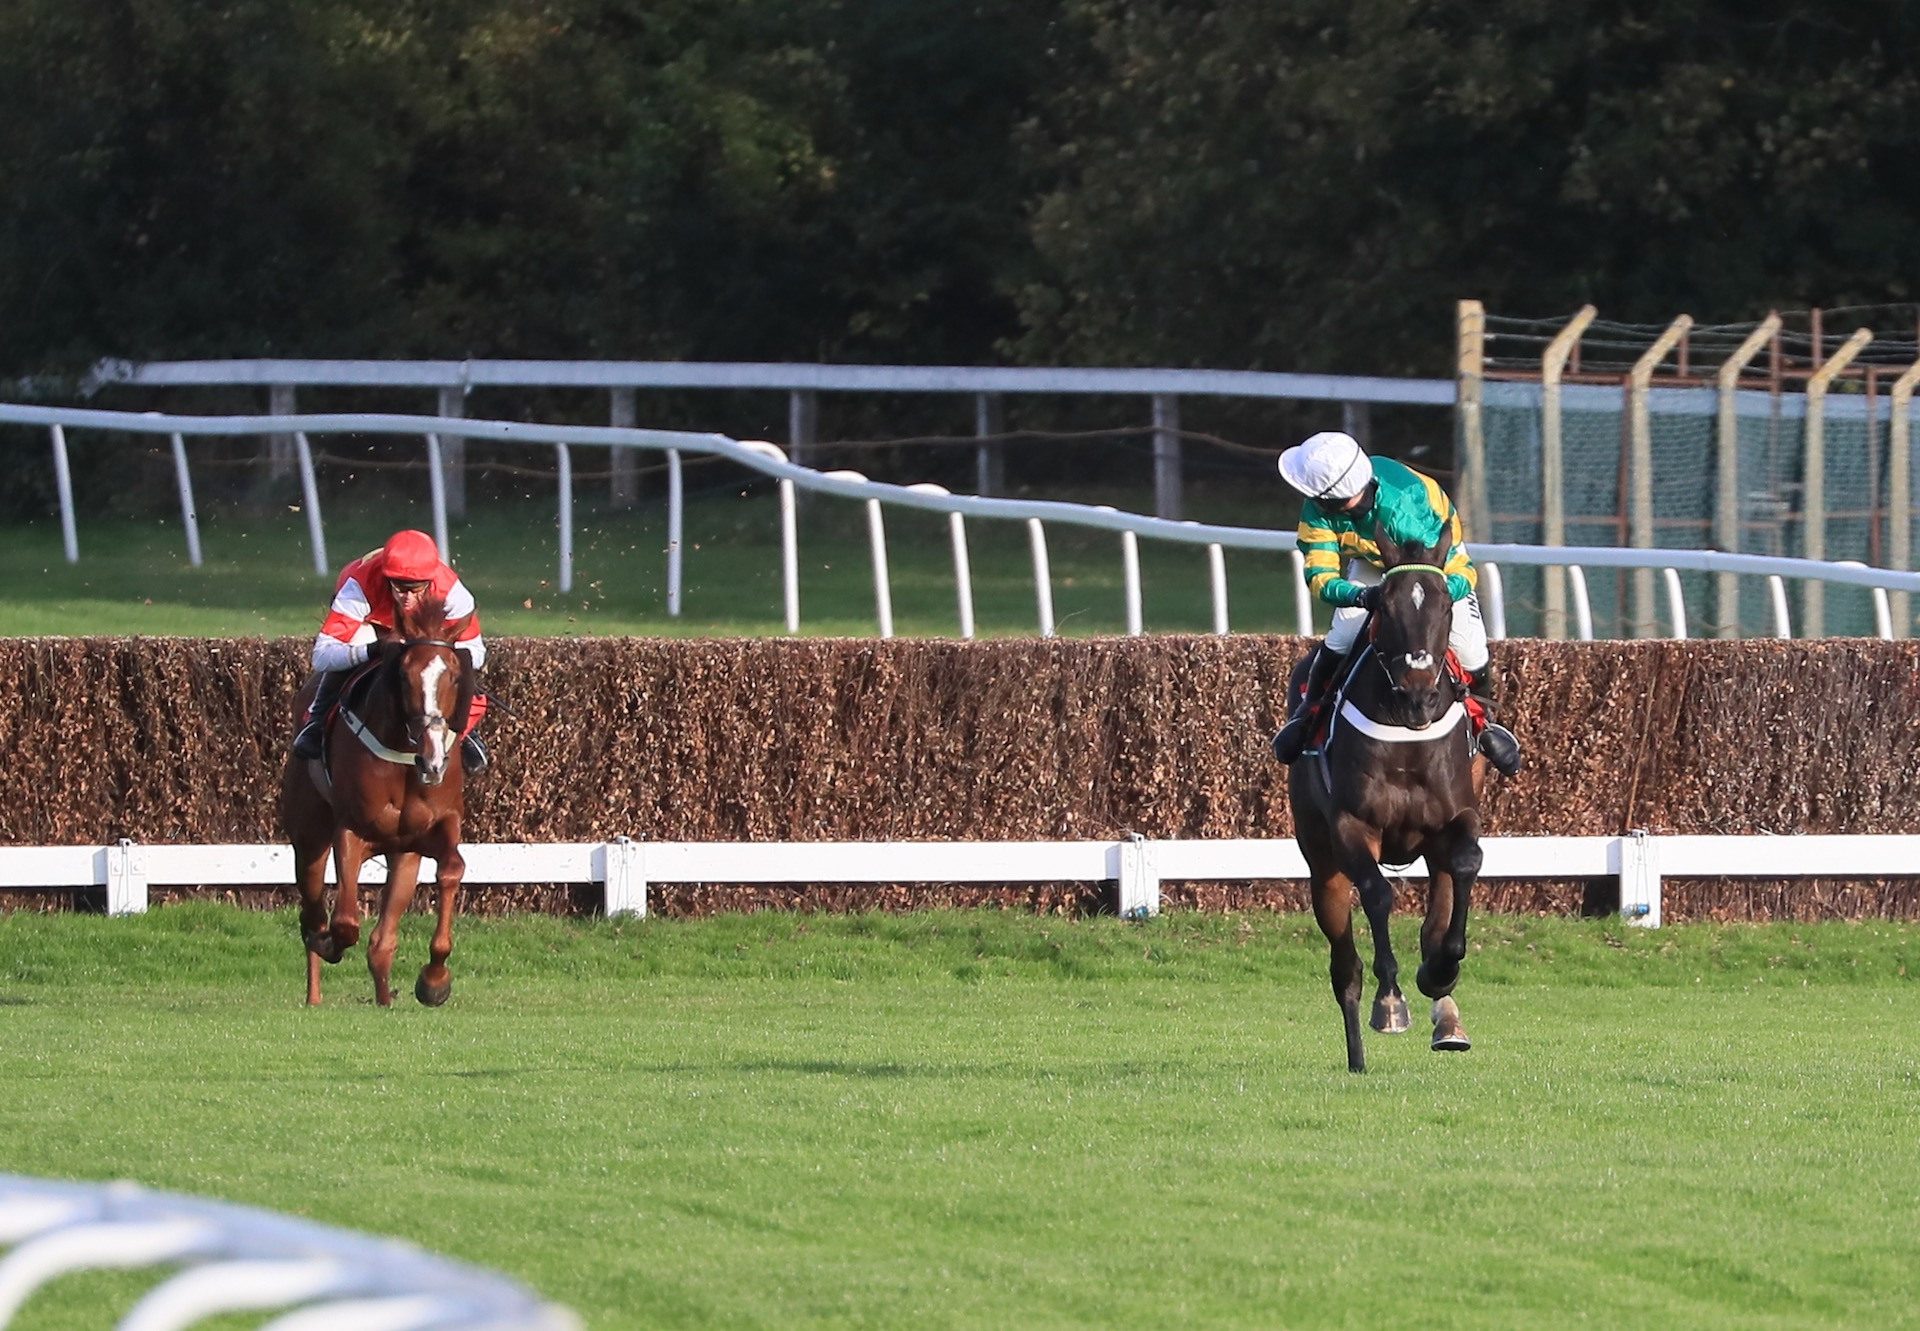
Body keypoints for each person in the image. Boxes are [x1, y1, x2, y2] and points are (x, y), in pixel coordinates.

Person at [1269, 430, 1520, 775]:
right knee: (1342, 634)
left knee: (1471, 646)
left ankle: (1486, 724)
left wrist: (1447, 593)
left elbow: (1430, 567)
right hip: (1376, 565)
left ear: (1332, 497)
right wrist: (1361, 596)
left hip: (1438, 565)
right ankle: (1309, 715)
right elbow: (1321, 576)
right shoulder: (1318, 510)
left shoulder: (1407, 504)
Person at [291, 529, 491, 774]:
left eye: (416, 589)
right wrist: (373, 650)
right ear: (387, 578)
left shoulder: (454, 594)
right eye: (398, 586)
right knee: (358, 639)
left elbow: (475, 653)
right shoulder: (358, 586)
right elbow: (321, 656)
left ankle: (465, 734)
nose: (406, 597)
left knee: (450, 663)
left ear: (430, 581)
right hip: (371, 626)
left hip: (423, 636)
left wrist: (438, 653)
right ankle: (317, 722)